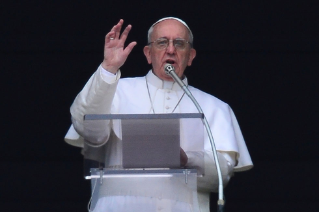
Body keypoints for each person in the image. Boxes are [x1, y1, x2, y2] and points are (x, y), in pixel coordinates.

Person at [65, 17, 253, 212]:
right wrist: (108, 68)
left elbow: (221, 176)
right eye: (162, 42)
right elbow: (88, 129)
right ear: (148, 53)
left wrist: (186, 159)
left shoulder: (214, 107)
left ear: (190, 56)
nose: (170, 50)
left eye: (179, 44)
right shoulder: (116, 90)